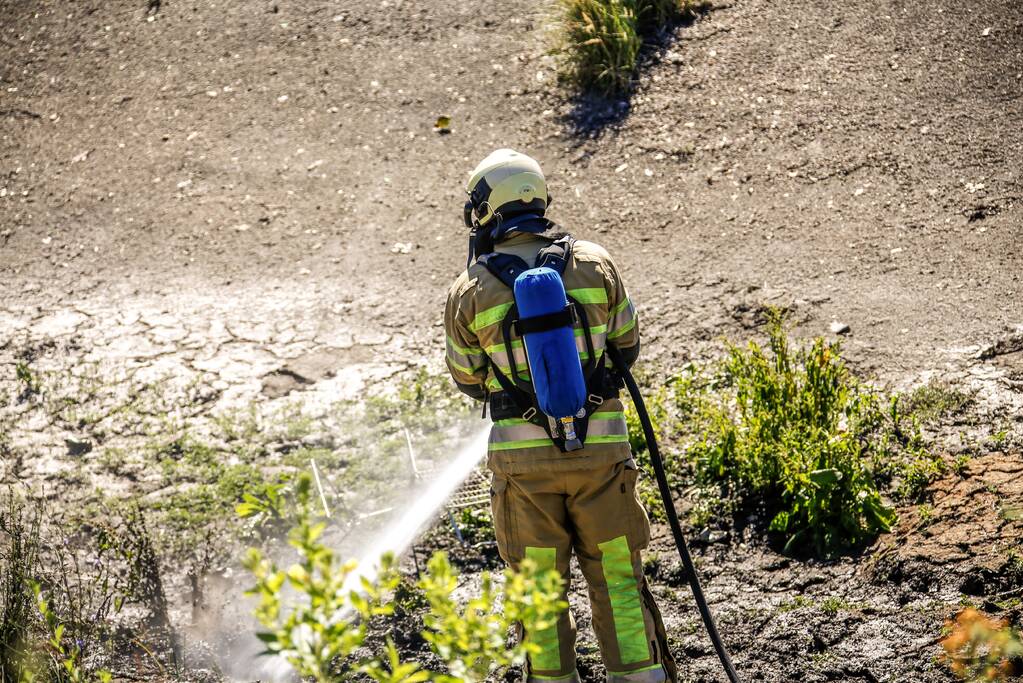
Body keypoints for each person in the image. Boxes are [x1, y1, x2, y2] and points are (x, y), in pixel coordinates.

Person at [443, 149, 677, 683]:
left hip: (523, 471)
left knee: (540, 592)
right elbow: (627, 345)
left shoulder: (469, 291)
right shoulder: (595, 264)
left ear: (485, 209)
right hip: (601, 457)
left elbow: (467, 378)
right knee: (618, 579)